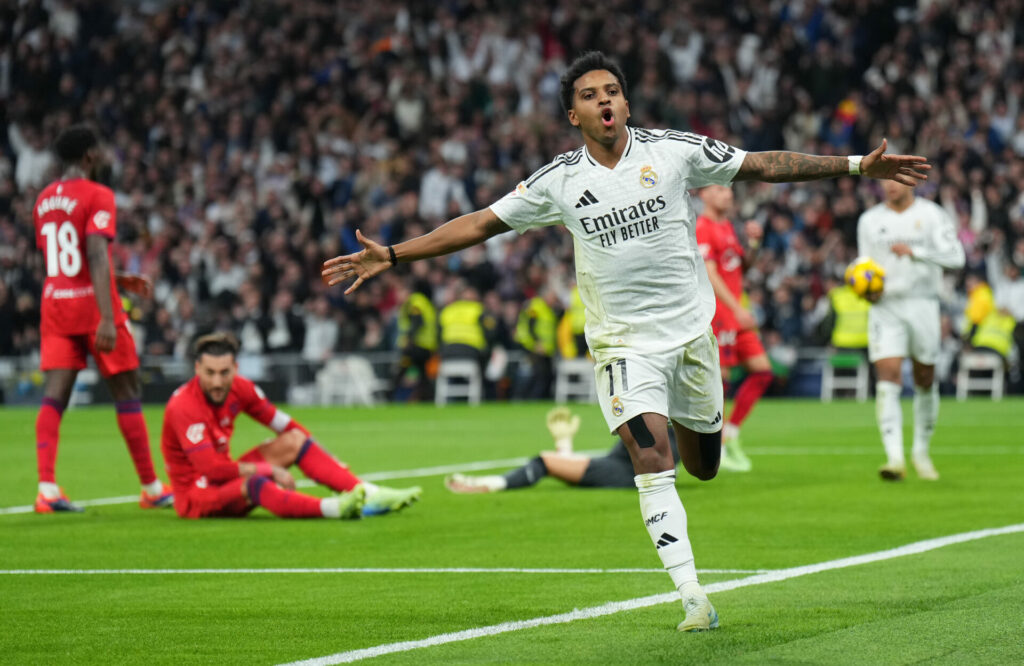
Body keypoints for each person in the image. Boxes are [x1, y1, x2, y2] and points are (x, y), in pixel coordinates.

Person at [322, 51, 930, 631]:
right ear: (574, 116)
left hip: (693, 336)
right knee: (650, 460)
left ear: (626, 102)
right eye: (589, 96)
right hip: (622, 345)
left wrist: (854, 166)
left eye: (611, 91)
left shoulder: (674, 153)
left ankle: (699, 500)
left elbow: (760, 164)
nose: (603, 101)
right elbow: (482, 222)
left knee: (704, 465)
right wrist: (396, 254)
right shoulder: (558, 181)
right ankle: (692, 595)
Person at [32, 124, 173, 513]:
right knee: (127, 393)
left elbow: (64, 259)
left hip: (56, 304)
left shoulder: (43, 199)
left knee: (54, 395)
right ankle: (150, 486)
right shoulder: (98, 194)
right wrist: (109, 318)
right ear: (90, 155)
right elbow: (93, 253)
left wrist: (120, 278)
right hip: (94, 308)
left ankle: (46, 488)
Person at [161, 332, 421, 519]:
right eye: (210, 373)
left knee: (294, 439)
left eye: (224, 373)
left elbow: (283, 424)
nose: (218, 381)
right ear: (197, 368)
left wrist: (327, 457)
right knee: (256, 483)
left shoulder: (240, 388)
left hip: (223, 478)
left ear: (235, 368)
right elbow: (212, 469)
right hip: (196, 496)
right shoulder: (183, 405)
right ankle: (334, 508)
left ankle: (367, 491)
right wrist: (269, 470)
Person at [857, 180, 965, 481]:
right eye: (884, 179)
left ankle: (920, 451)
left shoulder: (932, 215)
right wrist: (863, 285)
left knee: (924, 377)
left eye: (896, 179)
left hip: (923, 303)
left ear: (912, 181)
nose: (889, 185)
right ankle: (894, 458)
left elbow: (957, 257)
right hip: (886, 306)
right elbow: (865, 263)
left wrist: (916, 252)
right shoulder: (869, 220)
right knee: (888, 375)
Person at [695, 185, 773, 472]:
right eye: (719, 189)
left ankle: (731, 433)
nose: (728, 194)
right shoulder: (703, 227)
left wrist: (753, 243)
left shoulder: (728, 225)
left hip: (736, 315)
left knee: (763, 371)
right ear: (704, 195)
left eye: (729, 189)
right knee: (720, 383)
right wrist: (738, 308)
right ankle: (717, 448)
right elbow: (710, 273)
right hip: (719, 314)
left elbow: (743, 267)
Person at [445, 407, 680, 493]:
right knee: (560, 462)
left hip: (630, 472)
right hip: (625, 463)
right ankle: (564, 447)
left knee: (545, 462)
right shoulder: (675, 415)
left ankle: (494, 484)